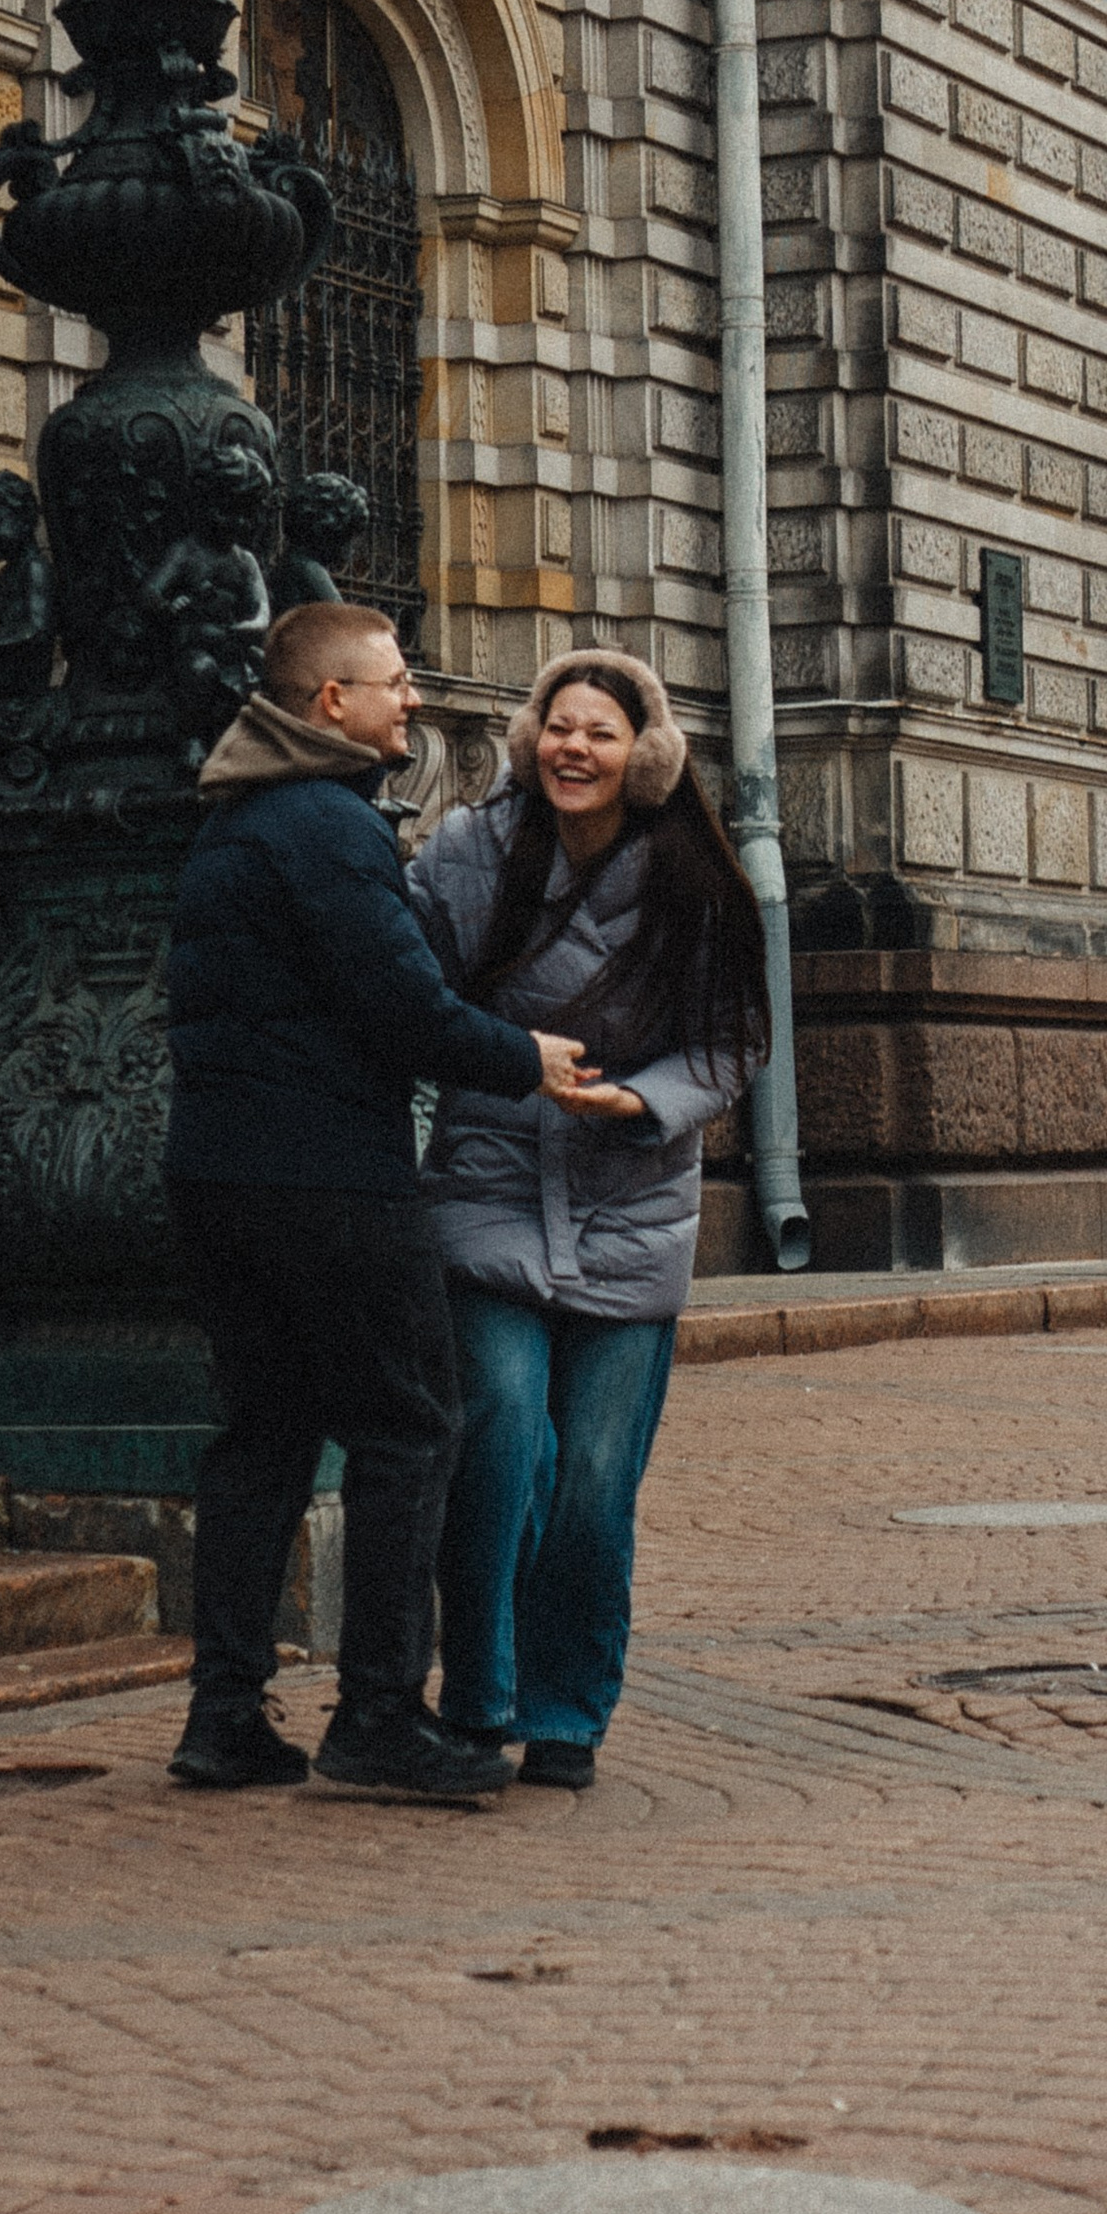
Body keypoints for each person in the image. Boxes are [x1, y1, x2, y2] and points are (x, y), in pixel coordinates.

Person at [162, 596, 591, 1799]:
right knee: (411, 1429)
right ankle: (380, 1719)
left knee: (264, 1439)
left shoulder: (237, 822)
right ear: (329, 704)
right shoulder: (326, 825)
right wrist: (530, 1060)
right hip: (327, 1179)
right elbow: (401, 1009)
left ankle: (225, 1718)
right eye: (394, 681)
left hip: (217, 1172)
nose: (413, 697)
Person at [408, 647, 770, 1790]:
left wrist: (643, 1101)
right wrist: (501, 1066)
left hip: (630, 1211)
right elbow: (405, 990)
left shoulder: (697, 881)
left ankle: (566, 1714)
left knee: (593, 1486)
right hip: (488, 1192)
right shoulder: (469, 851)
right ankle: (478, 1698)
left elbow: (729, 1048)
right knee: (502, 1445)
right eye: (557, 726)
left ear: (644, 756)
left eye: (600, 732)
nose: (574, 747)